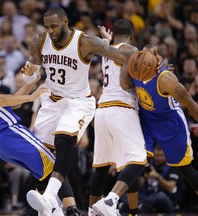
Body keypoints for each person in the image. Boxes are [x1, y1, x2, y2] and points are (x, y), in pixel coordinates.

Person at [21, 7, 140, 215]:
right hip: (52, 102)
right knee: (42, 156)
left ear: (65, 22)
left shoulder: (85, 41)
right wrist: (28, 76)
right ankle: (61, 207)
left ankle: (49, 198)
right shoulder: (40, 40)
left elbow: (116, 55)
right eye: (47, 26)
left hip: (78, 102)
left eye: (54, 26)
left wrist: (142, 60)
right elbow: (31, 73)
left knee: (63, 141)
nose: (50, 31)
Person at [0, 50, 81, 216]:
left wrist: (30, 83)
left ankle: (41, 209)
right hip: (9, 132)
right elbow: (0, 100)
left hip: (0, 143)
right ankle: (70, 210)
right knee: (54, 165)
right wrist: (31, 97)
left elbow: (11, 104)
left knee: (44, 172)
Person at [118, 44, 198, 214]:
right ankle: (128, 208)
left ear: (157, 60)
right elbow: (124, 80)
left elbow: (190, 103)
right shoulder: (135, 66)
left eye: (149, 56)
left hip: (171, 125)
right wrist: (125, 63)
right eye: (141, 54)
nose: (142, 59)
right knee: (136, 159)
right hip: (147, 121)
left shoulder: (166, 79)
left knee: (185, 169)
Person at [89, 19, 147, 216]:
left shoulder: (109, 50)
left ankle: (99, 211)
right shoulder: (131, 49)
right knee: (138, 159)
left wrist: (107, 40)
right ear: (131, 35)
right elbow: (125, 84)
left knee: (103, 166)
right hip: (121, 108)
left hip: (102, 109)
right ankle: (111, 200)